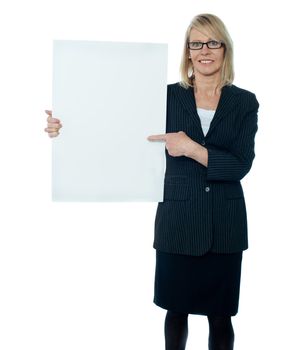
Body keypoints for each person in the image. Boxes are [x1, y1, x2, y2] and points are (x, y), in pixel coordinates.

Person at [45, 13, 259, 350]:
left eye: (213, 42)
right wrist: (67, 126)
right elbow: (118, 125)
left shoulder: (244, 102)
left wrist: (190, 148)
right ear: (187, 52)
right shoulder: (166, 97)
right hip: (177, 219)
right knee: (175, 311)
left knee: (221, 316)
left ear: (225, 49)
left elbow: (240, 165)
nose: (205, 50)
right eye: (196, 43)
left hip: (224, 224)